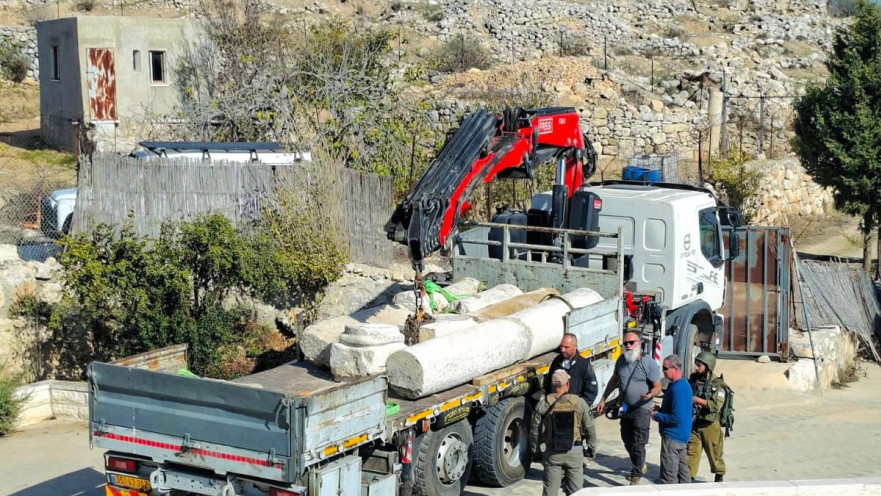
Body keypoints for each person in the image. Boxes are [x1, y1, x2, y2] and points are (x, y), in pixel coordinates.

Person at [596, 331, 662, 485]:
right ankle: (640, 464)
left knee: (638, 442)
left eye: (631, 343)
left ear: (639, 343)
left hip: (643, 408)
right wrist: (603, 399)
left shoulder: (648, 363)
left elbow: (657, 386)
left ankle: (636, 474)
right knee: (626, 439)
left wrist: (650, 394)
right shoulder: (621, 360)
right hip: (626, 407)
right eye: (625, 343)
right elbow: (614, 380)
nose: (628, 346)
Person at [530, 369, 598, 496]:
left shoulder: (543, 404)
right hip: (574, 452)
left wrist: (536, 453)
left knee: (550, 491)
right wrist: (591, 449)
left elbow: (534, 432)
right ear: (567, 385)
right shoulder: (579, 403)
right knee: (576, 492)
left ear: (552, 386)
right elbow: (590, 428)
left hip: (552, 453)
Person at [651, 354, 693, 484]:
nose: (663, 371)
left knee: (669, 479)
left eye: (665, 368)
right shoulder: (685, 385)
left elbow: (676, 417)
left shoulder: (677, 388)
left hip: (672, 439)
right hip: (682, 438)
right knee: (684, 477)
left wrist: (656, 415)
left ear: (675, 368)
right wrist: (661, 410)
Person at [688, 351, 727, 482]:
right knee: (691, 451)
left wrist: (697, 400)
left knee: (714, 453)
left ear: (708, 366)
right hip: (695, 423)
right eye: (696, 364)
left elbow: (716, 405)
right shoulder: (693, 380)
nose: (696, 368)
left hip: (710, 424)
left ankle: (719, 476)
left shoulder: (717, 385)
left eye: (699, 365)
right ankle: (689, 477)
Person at [545, 333, 599, 408]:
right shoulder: (557, 361)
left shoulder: (584, 365)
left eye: (566, 347)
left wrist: (578, 408)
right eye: (561, 346)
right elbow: (548, 384)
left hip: (575, 410)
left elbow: (591, 392)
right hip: (556, 408)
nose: (562, 350)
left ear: (575, 347)